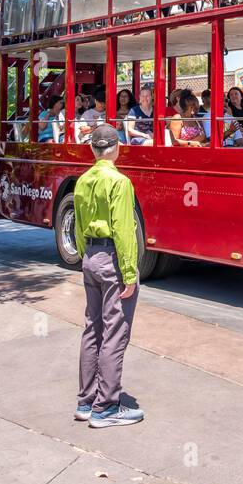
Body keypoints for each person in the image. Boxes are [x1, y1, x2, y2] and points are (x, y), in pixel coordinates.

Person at [73, 124, 143, 428]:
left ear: (92, 149)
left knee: (93, 329)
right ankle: (106, 407)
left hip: (90, 256)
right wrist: (129, 272)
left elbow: (77, 226)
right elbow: (124, 230)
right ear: (117, 147)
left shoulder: (82, 180)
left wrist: (84, 256)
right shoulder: (120, 182)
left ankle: (86, 402)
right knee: (115, 332)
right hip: (113, 260)